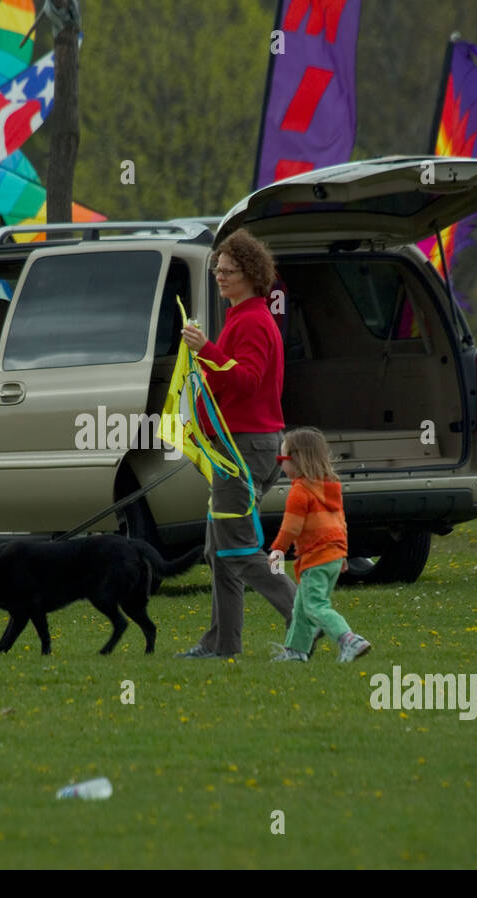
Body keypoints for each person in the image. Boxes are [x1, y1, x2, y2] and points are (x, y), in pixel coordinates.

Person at [175, 228, 297, 659]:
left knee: (239, 550)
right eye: (217, 270)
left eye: (228, 270)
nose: (220, 276)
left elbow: (245, 381)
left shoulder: (253, 322)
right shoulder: (242, 318)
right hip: (239, 445)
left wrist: (205, 349)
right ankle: (223, 644)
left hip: (245, 447)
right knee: (219, 548)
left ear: (251, 274)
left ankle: (307, 622)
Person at [267, 427, 372, 664]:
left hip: (316, 558)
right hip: (333, 555)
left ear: (297, 460)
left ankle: (349, 639)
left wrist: (277, 550)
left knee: (315, 606)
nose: (280, 465)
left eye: (282, 459)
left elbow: (291, 528)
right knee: (301, 609)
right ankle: (296, 651)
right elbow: (340, 523)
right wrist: (342, 553)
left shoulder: (300, 491)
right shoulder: (329, 487)